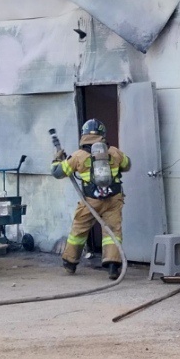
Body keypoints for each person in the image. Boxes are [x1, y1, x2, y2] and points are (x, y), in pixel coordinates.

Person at [51, 119, 131, 279]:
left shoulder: (78, 156)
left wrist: (57, 159)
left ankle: (70, 262)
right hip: (113, 199)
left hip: (90, 201)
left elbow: (58, 173)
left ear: (84, 134)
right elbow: (127, 165)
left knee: (79, 229)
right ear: (102, 134)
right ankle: (113, 266)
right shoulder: (114, 152)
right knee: (113, 231)